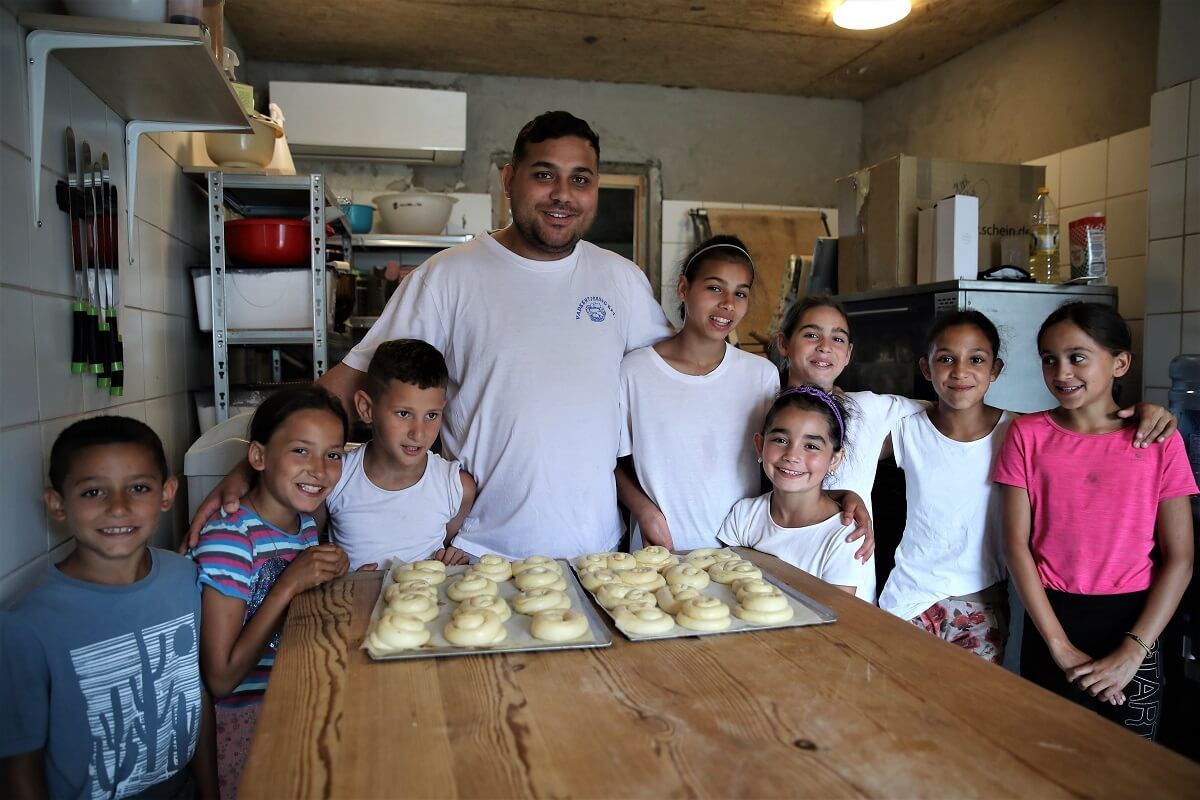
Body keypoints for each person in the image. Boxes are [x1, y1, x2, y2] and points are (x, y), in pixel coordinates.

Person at [187, 111, 674, 560]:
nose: (562, 194)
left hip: (599, 557)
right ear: (510, 179)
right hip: (480, 556)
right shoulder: (450, 276)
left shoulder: (621, 280)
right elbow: (351, 379)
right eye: (544, 174)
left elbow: (669, 384)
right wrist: (253, 467)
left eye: (580, 179)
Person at [776, 296, 1179, 517]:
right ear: (784, 344)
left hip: (855, 582)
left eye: (838, 338)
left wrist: (1136, 413)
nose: (825, 347)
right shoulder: (755, 401)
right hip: (797, 566)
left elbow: (956, 409)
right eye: (811, 335)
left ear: (849, 353)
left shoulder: (871, 410)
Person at [995, 302, 1195, 740]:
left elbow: (1180, 558)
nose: (1061, 372)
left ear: (1120, 362)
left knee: (1130, 765)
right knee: (1051, 758)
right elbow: (1016, 546)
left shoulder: (1159, 440)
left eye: (1077, 357)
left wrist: (1133, 651)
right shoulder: (1027, 435)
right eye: (1049, 359)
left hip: (1138, 622)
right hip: (1053, 619)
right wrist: (1059, 646)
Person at [0, 417, 217, 799]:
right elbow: (20, 766)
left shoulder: (186, 578)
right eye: (92, 492)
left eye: (138, 488)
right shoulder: (26, 626)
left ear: (166, 494)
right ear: (57, 503)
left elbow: (195, 694)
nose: (118, 507)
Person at [190, 386, 351, 796]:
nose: (319, 469)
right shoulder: (231, 536)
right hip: (246, 729)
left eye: (332, 455)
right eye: (301, 451)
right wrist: (291, 583)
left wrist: (331, 578)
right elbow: (221, 678)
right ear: (258, 457)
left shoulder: (305, 527)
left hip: (296, 711)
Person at [615, 235, 780, 551]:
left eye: (740, 293)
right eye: (715, 288)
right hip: (659, 552)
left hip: (740, 554)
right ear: (683, 289)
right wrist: (643, 510)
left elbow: (779, 467)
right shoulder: (635, 371)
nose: (728, 304)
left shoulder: (760, 376)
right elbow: (610, 462)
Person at [878, 310, 1013, 663]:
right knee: (902, 708)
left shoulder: (1017, 433)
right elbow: (837, 456)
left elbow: (1082, 433)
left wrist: (1145, 414)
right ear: (927, 369)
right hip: (909, 598)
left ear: (995, 370)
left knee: (969, 712)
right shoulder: (907, 430)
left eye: (976, 359)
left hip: (981, 604)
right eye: (946, 359)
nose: (960, 371)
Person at [324, 338, 477, 569]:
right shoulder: (334, 478)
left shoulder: (457, 488)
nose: (418, 433)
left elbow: (445, 551)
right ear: (366, 408)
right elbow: (310, 551)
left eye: (431, 415)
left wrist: (450, 560)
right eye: (404, 414)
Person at [718, 387, 875, 601]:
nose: (792, 455)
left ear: (834, 459)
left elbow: (837, 617)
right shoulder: (743, 515)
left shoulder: (844, 536)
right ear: (760, 445)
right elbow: (724, 588)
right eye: (781, 440)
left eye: (811, 445)